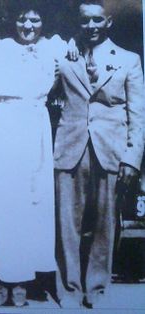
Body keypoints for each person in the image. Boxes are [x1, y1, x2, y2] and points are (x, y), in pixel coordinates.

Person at [0, 3, 76, 307]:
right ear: (12, 21)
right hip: (3, 126)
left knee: (32, 204)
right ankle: (1, 276)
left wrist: (72, 51)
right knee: (3, 203)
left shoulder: (54, 48)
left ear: (44, 21)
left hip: (35, 130)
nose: (28, 26)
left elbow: (76, 51)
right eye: (22, 19)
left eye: (35, 19)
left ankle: (23, 280)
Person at [54, 0, 144, 308]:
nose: (91, 27)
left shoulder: (129, 60)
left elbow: (138, 114)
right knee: (67, 223)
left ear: (108, 23)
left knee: (106, 224)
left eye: (97, 20)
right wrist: (65, 44)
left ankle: (97, 290)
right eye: (85, 21)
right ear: (78, 23)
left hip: (111, 150)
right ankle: (69, 289)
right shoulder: (64, 55)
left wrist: (132, 157)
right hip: (70, 147)